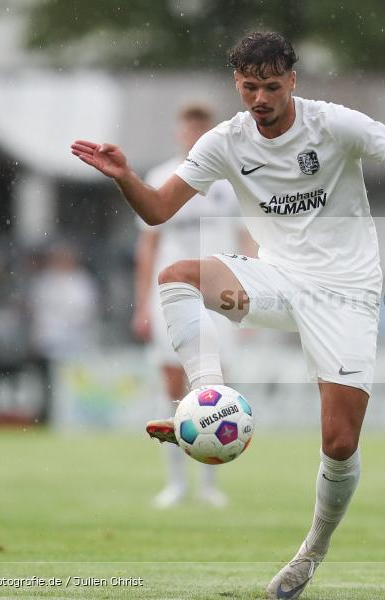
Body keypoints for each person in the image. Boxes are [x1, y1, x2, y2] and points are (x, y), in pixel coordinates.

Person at [71, 31, 385, 599]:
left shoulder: (334, 123)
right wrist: (125, 177)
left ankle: (311, 553)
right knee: (176, 278)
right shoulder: (225, 141)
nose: (261, 97)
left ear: (292, 81)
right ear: (236, 85)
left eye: (272, 86)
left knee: (340, 442)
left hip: (346, 292)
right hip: (275, 282)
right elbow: (158, 211)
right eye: (250, 87)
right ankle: (206, 398)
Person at [133, 104, 255, 509]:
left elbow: (246, 240)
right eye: (189, 128)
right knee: (171, 386)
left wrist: (253, 294)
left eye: (202, 129)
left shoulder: (232, 178)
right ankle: (175, 484)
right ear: (179, 133)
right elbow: (148, 245)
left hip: (220, 296)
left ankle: (208, 485)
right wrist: (142, 303)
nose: (194, 135)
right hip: (170, 294)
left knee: (217, 388)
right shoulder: (160, 178)